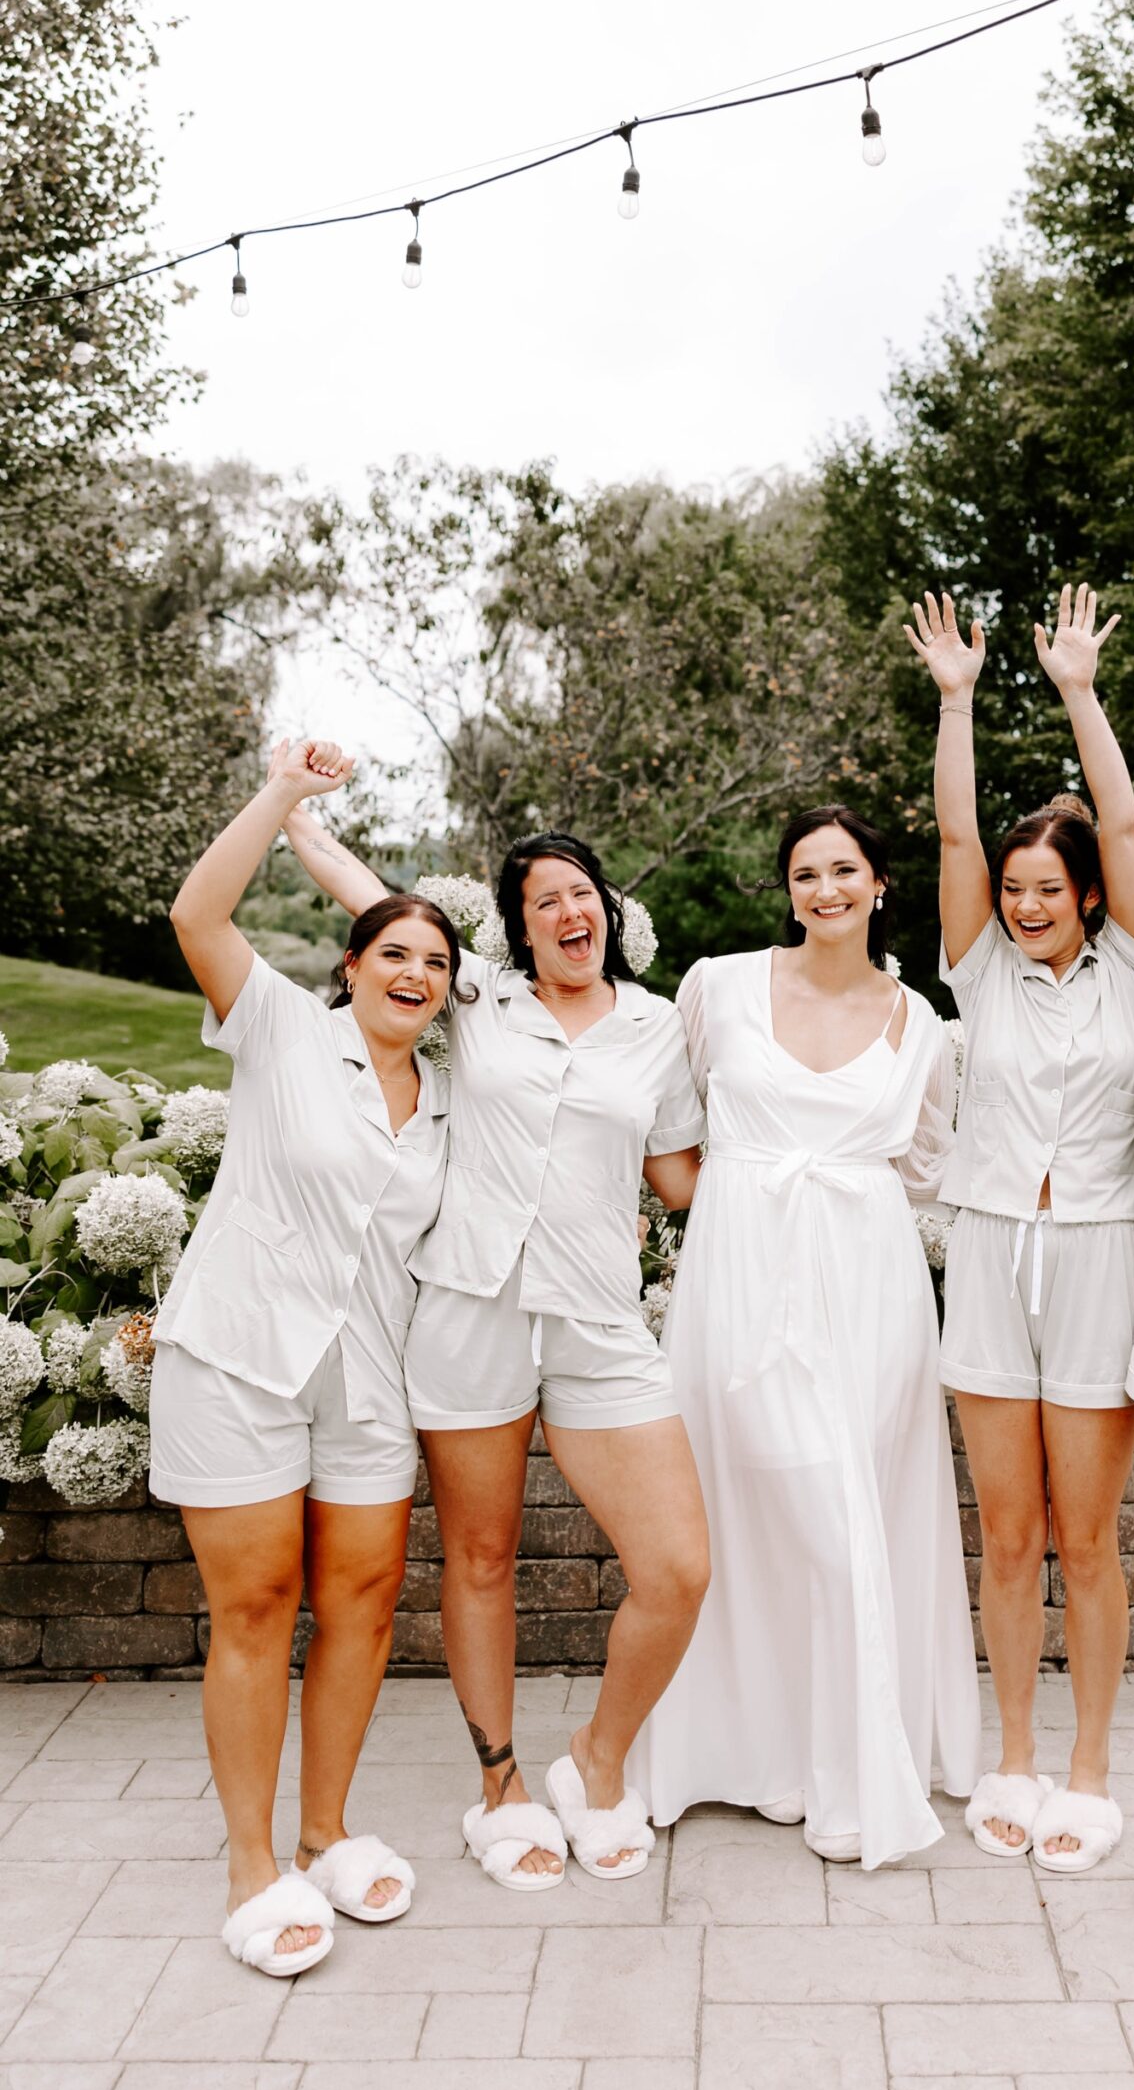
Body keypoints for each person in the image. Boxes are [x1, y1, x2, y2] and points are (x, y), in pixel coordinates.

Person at [282, 777, 707, 1885]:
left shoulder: (661, 1029)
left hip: (599, 1317)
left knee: (677, 1567)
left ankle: (595, 1761)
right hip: (467, 1310)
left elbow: (679, 1179)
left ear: (606, 908)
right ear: (517, 930)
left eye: (583, 893)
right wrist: (296, 815)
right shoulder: (480, 1000)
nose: (569, 912)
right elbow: (381, 905)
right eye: (542, 901)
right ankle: (502, 1787)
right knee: (479, 1554)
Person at [152, 745, 463, 1977]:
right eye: (392, 952)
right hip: (237, 1356)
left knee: (364, 1606)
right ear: (346, 965)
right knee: (259, 1605)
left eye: (436, 963)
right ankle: (252, 1861)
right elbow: (196, 912)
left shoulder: (448, 1088)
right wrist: (286, 800)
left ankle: (326, 1830)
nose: (418, 974)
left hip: (368, 1378)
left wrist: (388, 900)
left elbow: (479, 977)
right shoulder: (280, 1026)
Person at [630, 804, 980, 1866]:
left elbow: (923, 1167)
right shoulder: (716, 985)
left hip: (868, 1286)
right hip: (739, 1275)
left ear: (879, 885)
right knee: (757, 1512)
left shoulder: (921, 1023)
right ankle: (752, 1754)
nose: (822, 889)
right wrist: (721, 1207)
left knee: (848, 1509)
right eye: (803, 872)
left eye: (843, 870)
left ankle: (844, 1769)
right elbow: (660, 1123)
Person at [906, 585, 1134, 1876]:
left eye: (1043, 888)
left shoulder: (1133, 965)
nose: (1022, 904)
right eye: (1011, 889)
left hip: (1102, 1260)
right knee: (1006, 1536)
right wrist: (956, 699)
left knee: (1085, 1537)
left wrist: (1077, 691)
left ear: (1083, 895)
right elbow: (954, 835)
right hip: (992, 1262)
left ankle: (1090, 1768)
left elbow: (1117, 817)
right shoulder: (976, 972)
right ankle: (1010, 1753)